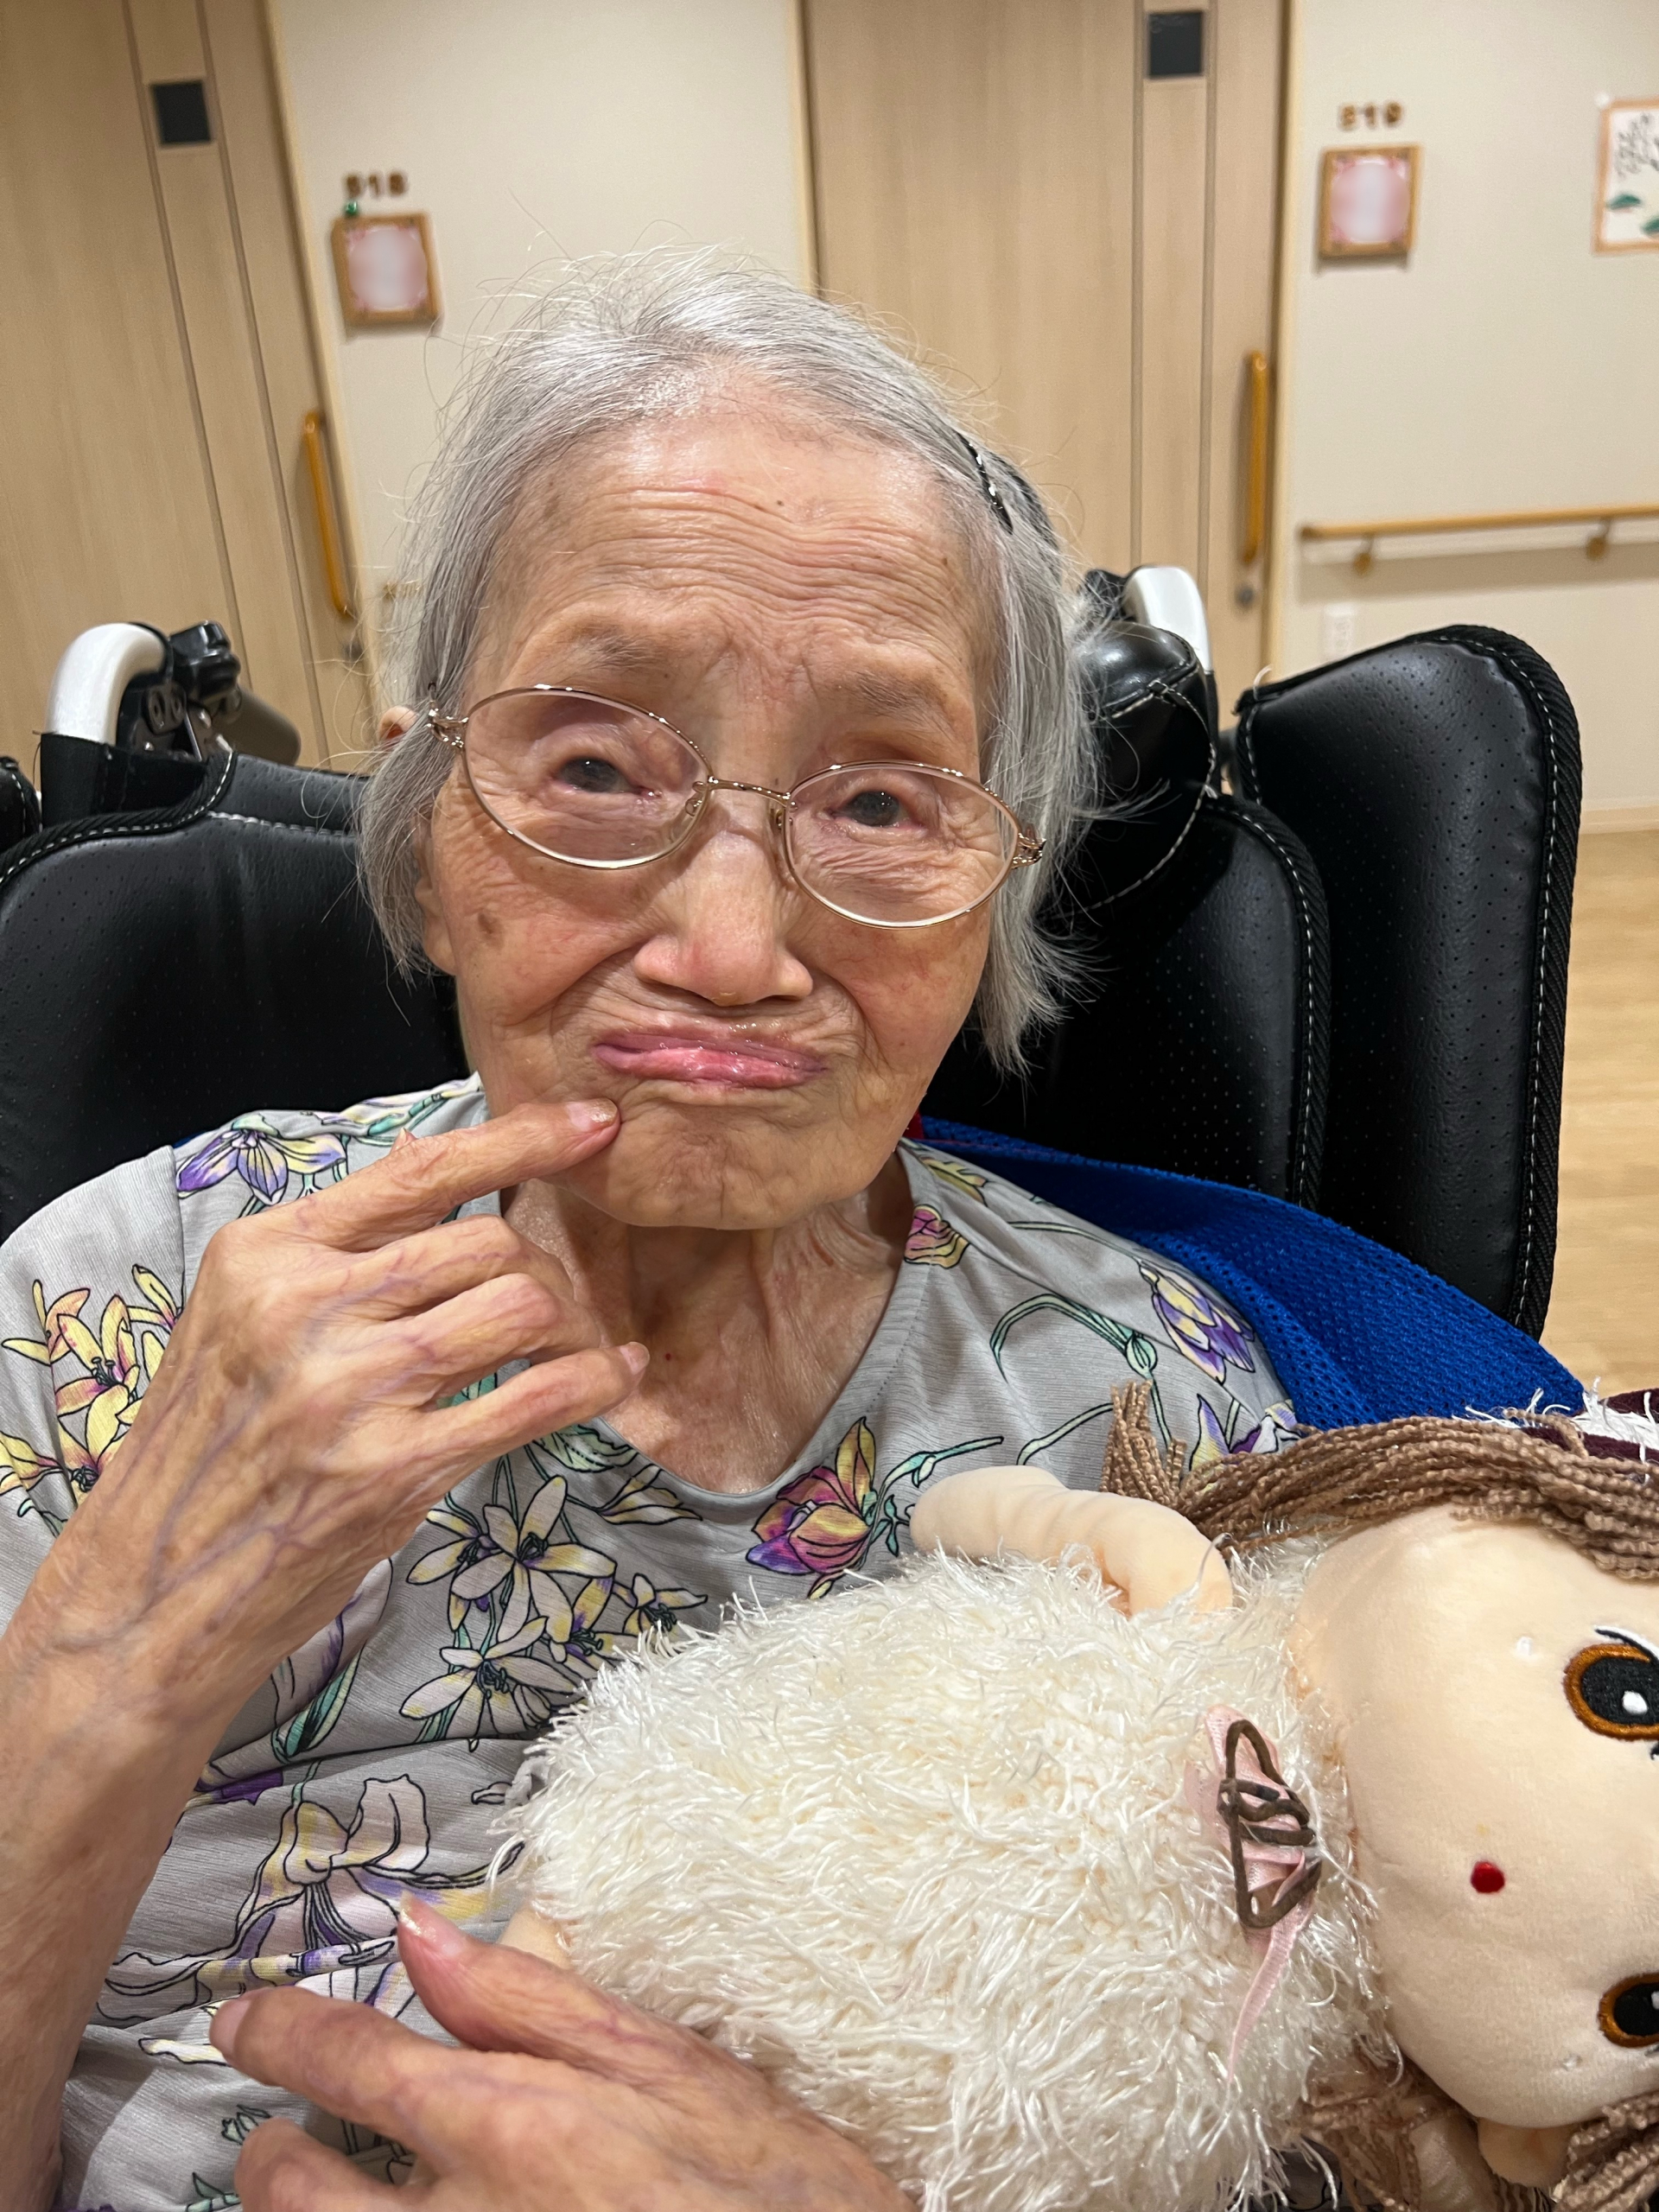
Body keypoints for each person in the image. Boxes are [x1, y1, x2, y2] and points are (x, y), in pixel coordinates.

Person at [0, 256, 1291, 2212]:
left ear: (997, 895)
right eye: (596, 767)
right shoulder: (110, 1309)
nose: (729, 947)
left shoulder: (1152, 1407)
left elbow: (1325, 2081)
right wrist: (111, 1650)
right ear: (433, 826)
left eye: (883, 802)